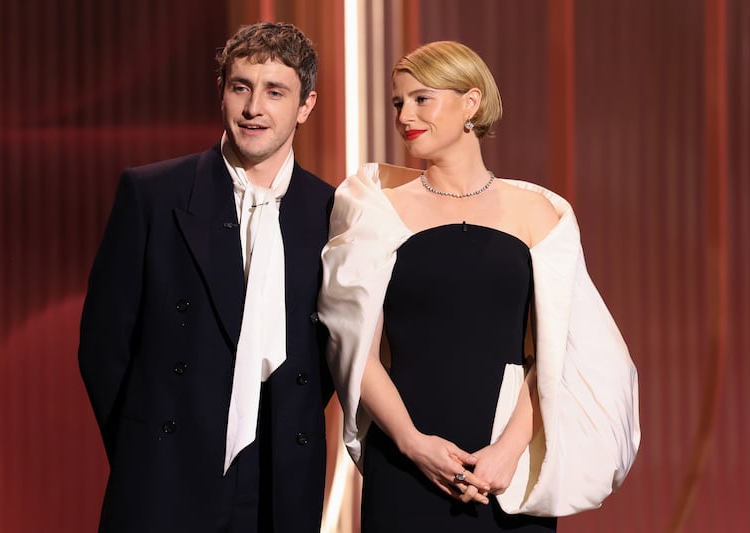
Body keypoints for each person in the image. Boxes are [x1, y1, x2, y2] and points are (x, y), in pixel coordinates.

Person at [318, 41, 640, 532]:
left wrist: (507, 453)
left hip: (506, 471)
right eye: (398, 102)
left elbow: (558, 353)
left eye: (422, 99)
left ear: (471, 102)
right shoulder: (374, 207)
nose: (406, 114)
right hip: (404, 458)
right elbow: (352, 345)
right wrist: (411, 443)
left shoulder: (539, 212)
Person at [78, 22, 335, 533]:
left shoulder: (332, 212)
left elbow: (330, 354)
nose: (253, 108)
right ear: (222, 93)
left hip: (280, 474)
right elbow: (103, 348)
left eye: (274, 92)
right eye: (240, 87)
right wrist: (144, 449)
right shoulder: (153, 194)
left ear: (305, 106)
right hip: (166, 471)